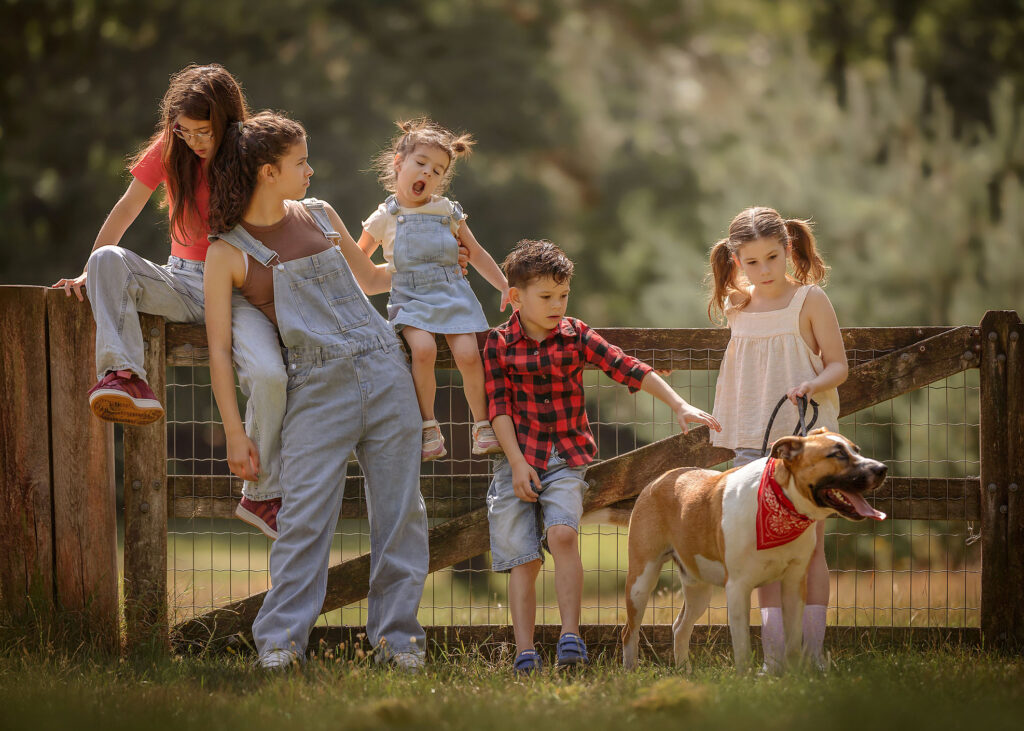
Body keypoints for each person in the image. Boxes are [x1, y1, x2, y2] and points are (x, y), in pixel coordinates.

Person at [203, 111, 429, 671]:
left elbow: (373, 281)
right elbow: (216, 351)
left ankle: (397, 642)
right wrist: (235, 431)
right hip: (315, 387)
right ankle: (280, 644)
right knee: (304, 519)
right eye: (300, 162)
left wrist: (430, 266)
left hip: (384, 370)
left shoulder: (322, 215)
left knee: (402, 514)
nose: (311, 171)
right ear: (266, 171)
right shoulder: (226, 253)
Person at [51, 64, 288, 539]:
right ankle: (123, 377)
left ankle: (263, 494)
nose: (195, 141)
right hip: (181, 281)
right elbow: (128, 207)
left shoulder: (250, 150)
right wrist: (90, 267)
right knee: (107, 260)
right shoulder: (169, 150)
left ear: (225, 120)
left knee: (269, 375)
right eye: (184, 131)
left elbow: (282, 217)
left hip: (239, 292)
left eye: (203, 131)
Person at [483, 239, 721, 674]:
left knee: (563, 535)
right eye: (546, 297)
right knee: (524, 558)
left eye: (563, 295)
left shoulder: (575, 334)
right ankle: (524, 652)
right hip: (516, 458)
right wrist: (516, 462)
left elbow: (627, 367)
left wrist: (679, 405)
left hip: (566, 458)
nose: (558, 305)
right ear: (515, 298)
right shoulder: (499, 344)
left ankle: (570, 637)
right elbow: (496, 407)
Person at [707, 206, 848, 672]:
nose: (764, 271)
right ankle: (774, 658)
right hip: (752, 441)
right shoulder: (736, 305)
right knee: (761, 548)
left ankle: (811, 653)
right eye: (751, 263)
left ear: (788, 249)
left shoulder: (809, 300)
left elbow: (838, 365)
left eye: (772, 257)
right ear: (734, 261)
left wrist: (812, 383)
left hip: (805, 443)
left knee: (810, 549)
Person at [360, 119, 509, 461]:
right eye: (421, 163)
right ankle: (428, 427)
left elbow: (477, 252)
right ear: (399, 163)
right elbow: (358, 262)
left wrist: (503, 284)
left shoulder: (447, 211)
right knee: (423, 350)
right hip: (410, 298)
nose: (427, 174)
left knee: (470, 355)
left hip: (452, 293)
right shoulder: (385, 216)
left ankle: (483, 427)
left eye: (438, 170)